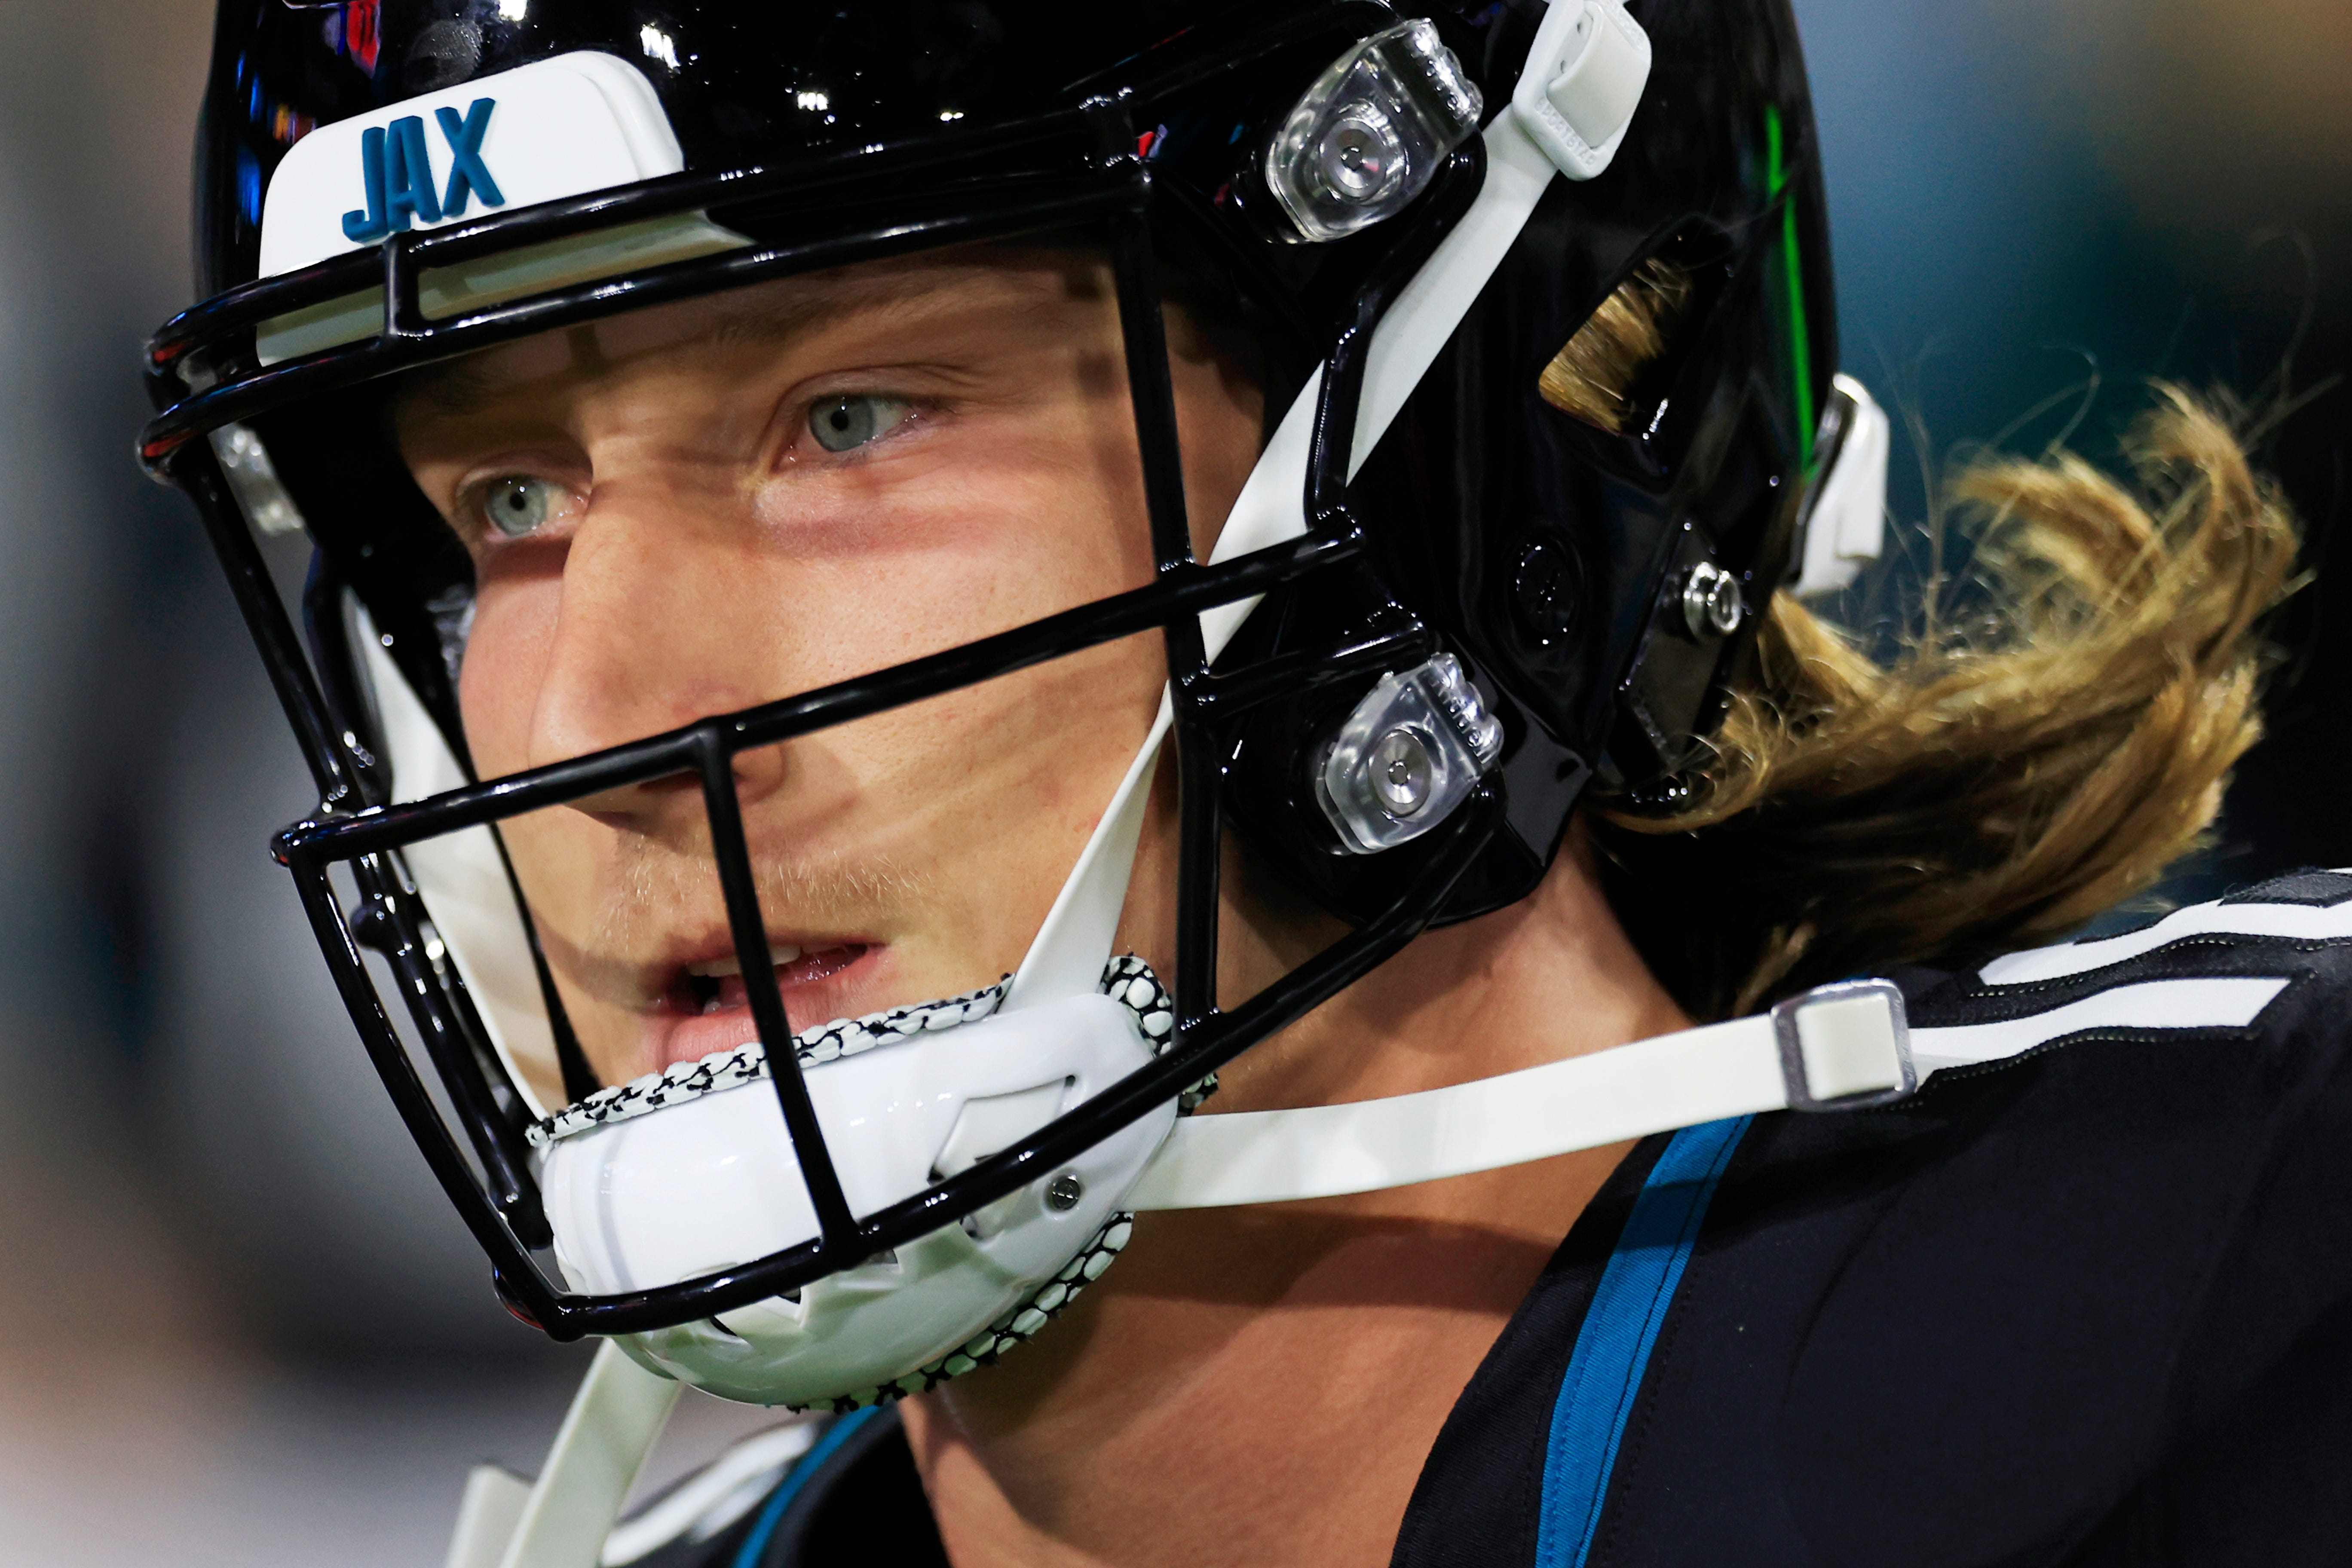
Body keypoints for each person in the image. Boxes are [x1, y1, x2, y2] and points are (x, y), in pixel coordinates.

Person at [141, 2, 2350, 1564]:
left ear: (1463, 449)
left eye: (845, 420)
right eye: (506, 505)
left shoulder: (2261, 1262)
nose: (589, 718)